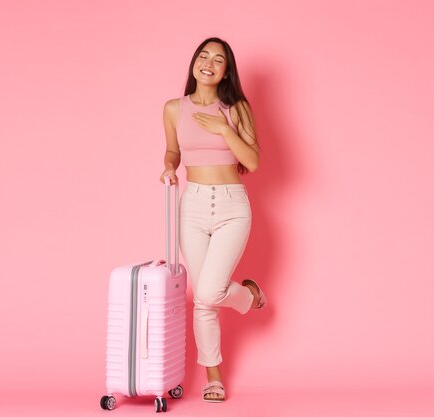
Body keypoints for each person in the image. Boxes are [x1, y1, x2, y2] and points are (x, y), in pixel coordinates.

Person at [159, 37, 267, 403]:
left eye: (217, 60)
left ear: (226, 71)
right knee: (204, 300)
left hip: (232, 206)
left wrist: (224, 129)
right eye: (203, 56)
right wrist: (169, 167)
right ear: (194, 63)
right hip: (192, 204)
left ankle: (248, 297)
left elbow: (252, 161)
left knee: (208, 292)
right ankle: (214, 378)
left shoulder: (236, 108)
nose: (208, 63)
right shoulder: (174, 108)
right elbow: (173, 149)